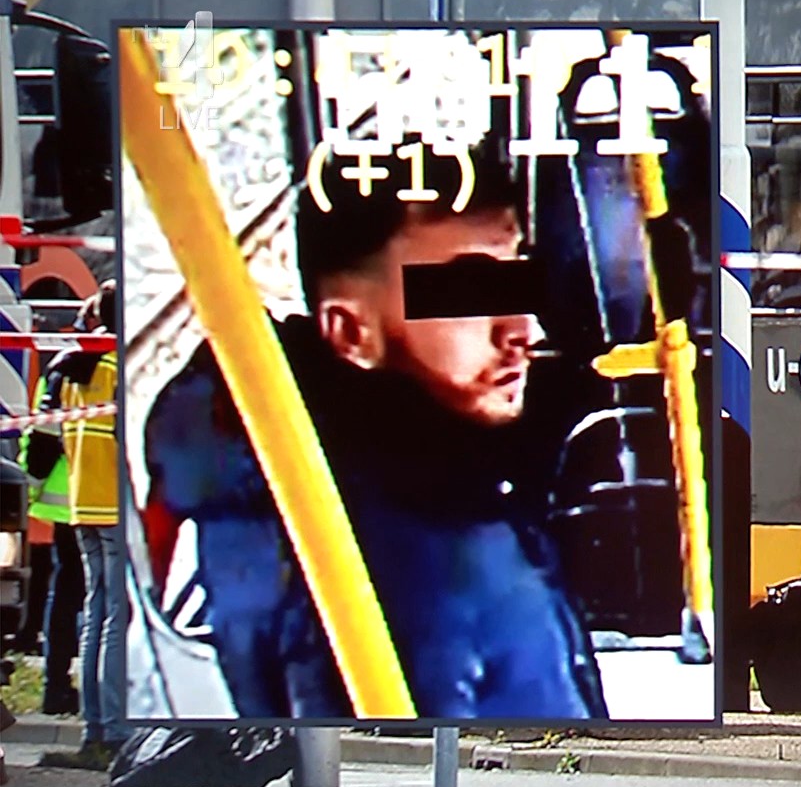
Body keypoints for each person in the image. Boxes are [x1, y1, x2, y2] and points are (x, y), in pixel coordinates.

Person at [141, 152, 607, 719]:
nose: (524, 331)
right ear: (351, 331)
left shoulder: (283, 481)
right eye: (469, 291)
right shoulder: (422, 559)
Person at [34, 286, 128, 768]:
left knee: (95, 616)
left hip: (81, 507)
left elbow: (44, 440)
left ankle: (95, 730)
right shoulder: (119, 367)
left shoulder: (68, 366)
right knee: (116, 620)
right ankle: (114, 732)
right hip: (117, 506)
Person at [21, 360, 83, 717]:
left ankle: (56, 687)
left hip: (69, 504)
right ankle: (100, 696)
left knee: (65, 596)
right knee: (104, 606)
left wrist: (30, 489)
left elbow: (42, 441)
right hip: (107, 505)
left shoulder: (62, 368)